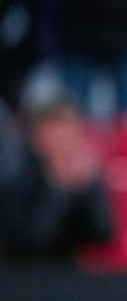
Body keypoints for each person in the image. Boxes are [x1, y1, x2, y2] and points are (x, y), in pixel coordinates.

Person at [0, 97, 113, 265]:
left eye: (69, 130)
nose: (63, 138)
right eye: (54, 130)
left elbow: (102, 233)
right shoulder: (15, 172)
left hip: (66, 274)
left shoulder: (79, 172)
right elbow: (28, 242)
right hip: (19, 276)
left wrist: (92, 185)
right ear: (37, 134)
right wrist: (58, 189)